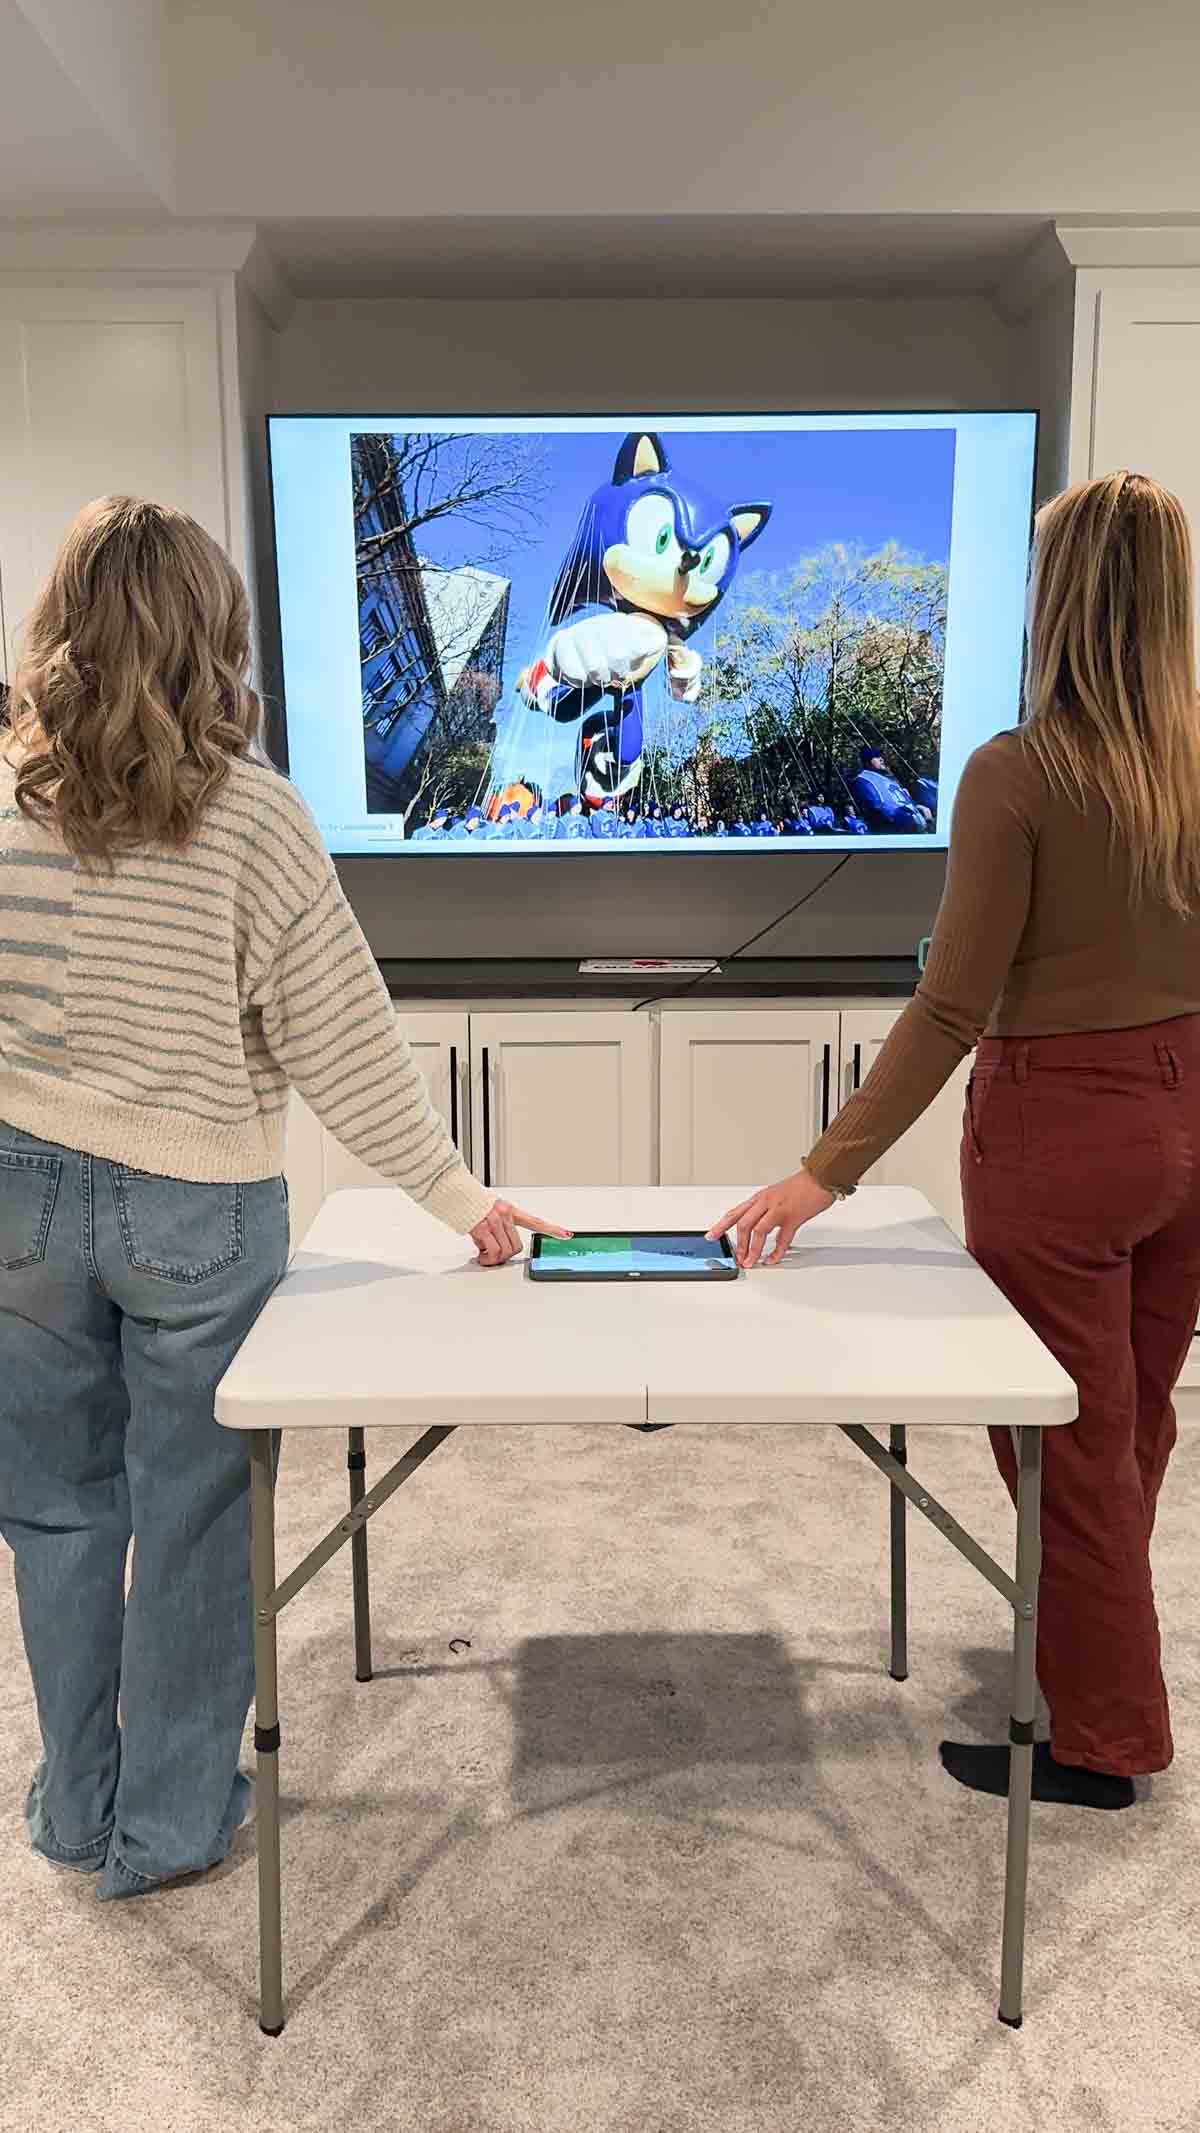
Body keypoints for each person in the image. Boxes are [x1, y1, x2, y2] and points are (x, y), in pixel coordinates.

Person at [0, 497, 569, 1901]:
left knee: (56, 1508)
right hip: (193, 1200)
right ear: (217, 633)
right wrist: (460, 1196)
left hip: (15, 1188)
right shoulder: (252, 814)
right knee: (191, 1511)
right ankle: (175, 1821)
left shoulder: (8, 793)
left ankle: (79, 1806)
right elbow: (342, 1040)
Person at [709, 472, 1200, 1813]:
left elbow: (950, 1006)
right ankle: (1097, 1666)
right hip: (1187, 1115)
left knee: (1066, 1446)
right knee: (1128, 1424)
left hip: (1067, 1132)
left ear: (1062, 605)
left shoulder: (1019, 771)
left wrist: (824, 1169)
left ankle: (1102, 1739)